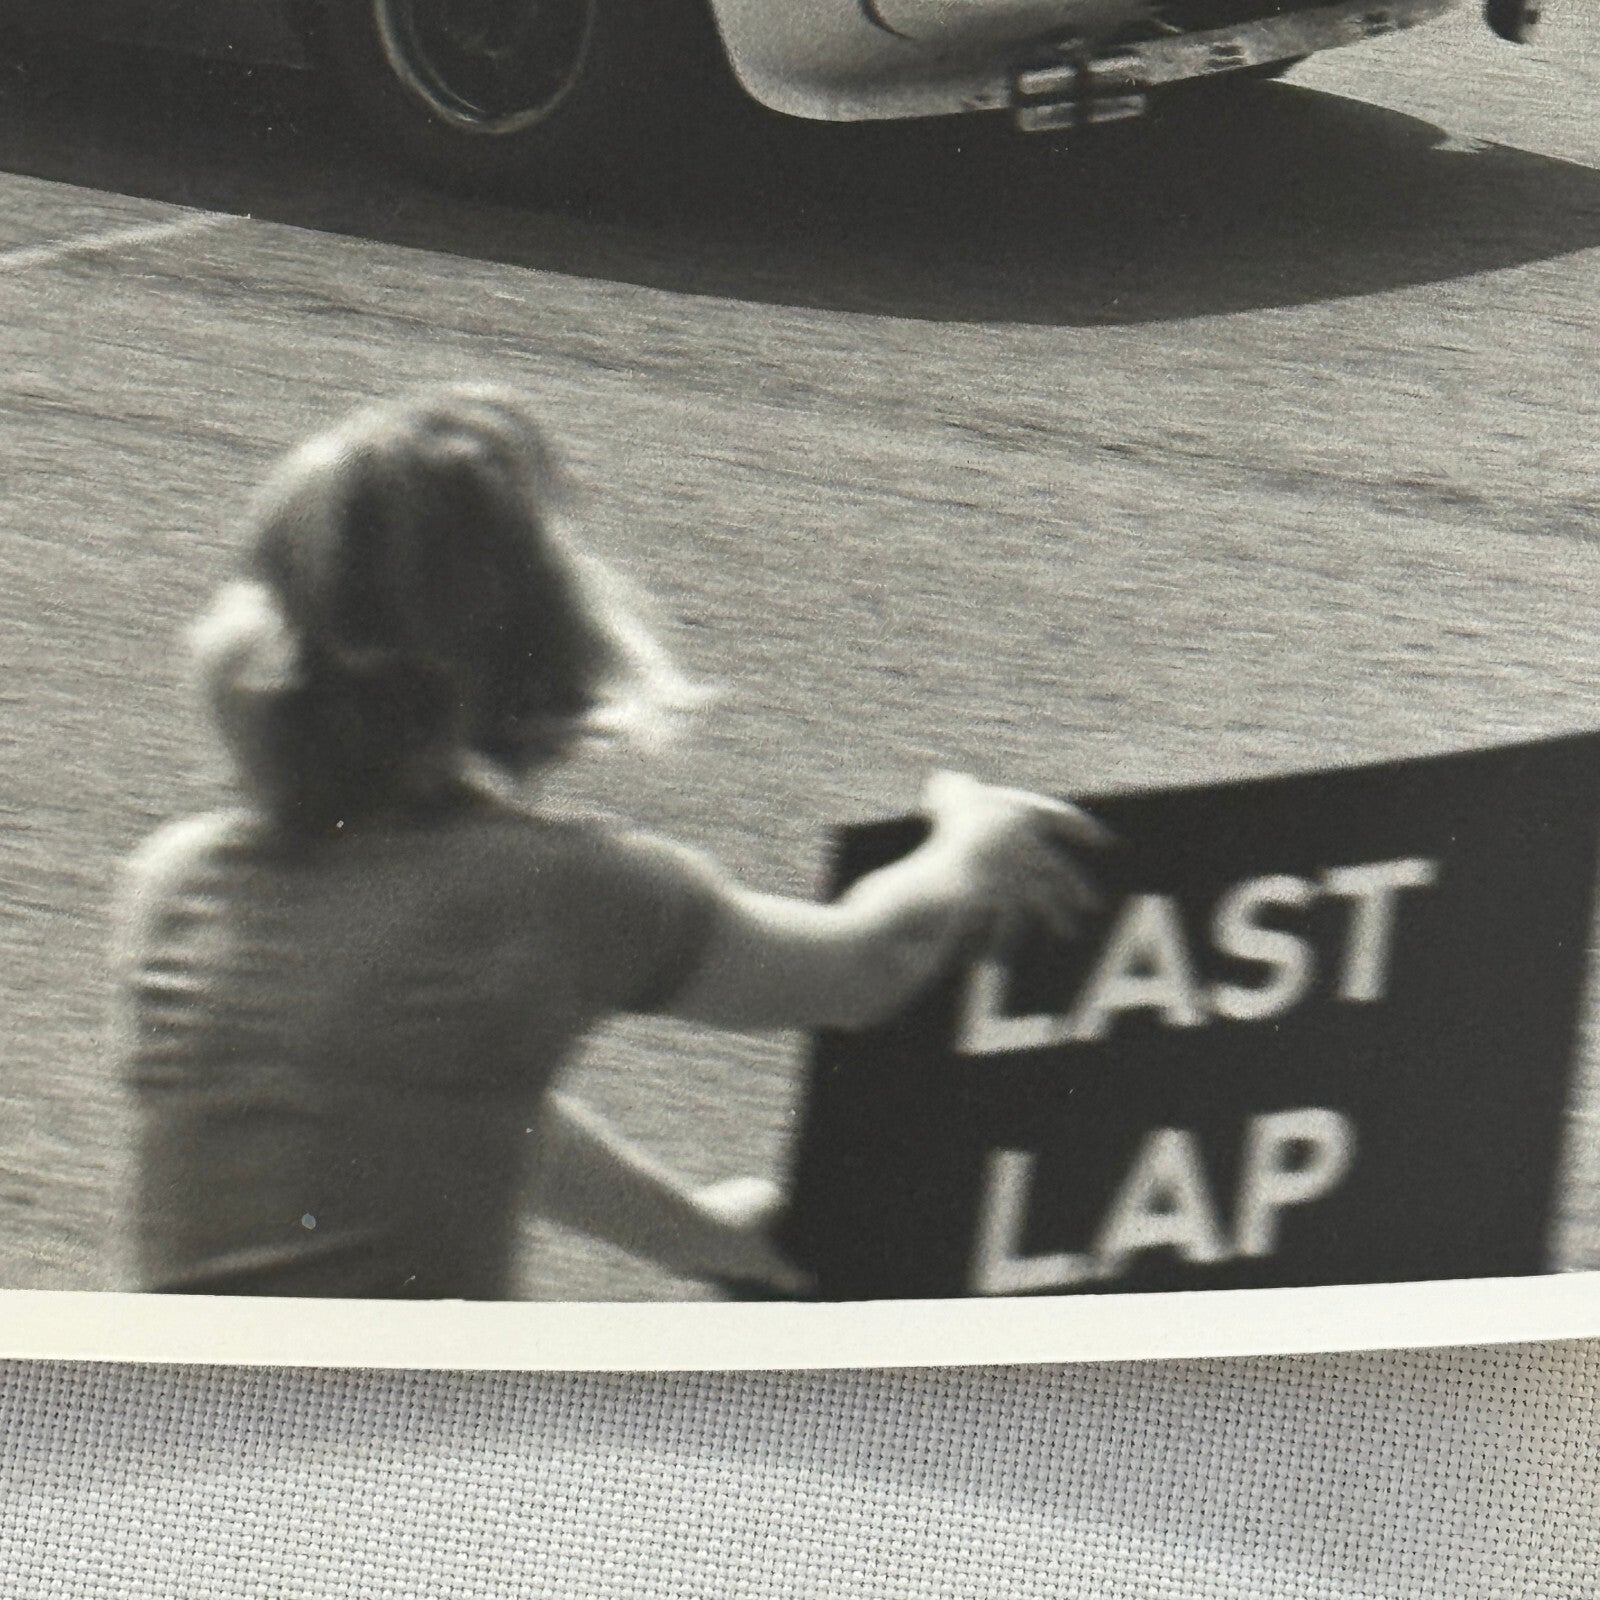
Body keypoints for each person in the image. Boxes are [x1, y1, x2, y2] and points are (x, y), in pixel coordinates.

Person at [112, 384, 1107, 1300]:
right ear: (527, 632)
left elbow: (455, 1102)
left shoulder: (175, 882)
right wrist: (968, 852)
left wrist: (692, 1236)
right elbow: (861, 967)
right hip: (402, 1457)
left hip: (164, 1447)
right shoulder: (546, 889)